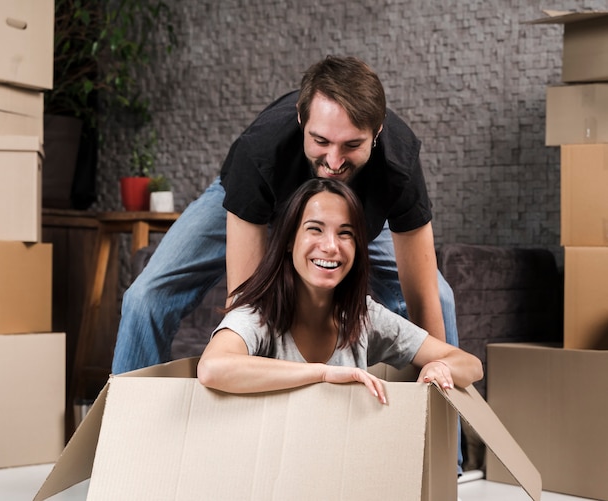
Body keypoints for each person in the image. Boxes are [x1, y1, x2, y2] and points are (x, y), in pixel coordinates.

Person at [112, 55, 458, 375]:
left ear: (378, 132)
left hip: (344, 213)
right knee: (145, 298)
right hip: (258, 201)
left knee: (441, 299)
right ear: (300, 119)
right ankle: (127, 434)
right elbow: (244, 303)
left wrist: (439, 372)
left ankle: (446, 442)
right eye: (321, 141)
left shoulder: (399, 161)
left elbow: (425, 298)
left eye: (352, 145)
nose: (334, 163)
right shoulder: (259, 151)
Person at [197, 178, 483, 404]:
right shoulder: (258, 315)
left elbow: (470, 365)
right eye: (315, 229)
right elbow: (212, 368)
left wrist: (438, 370)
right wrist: (323, 374)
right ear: (288, 241)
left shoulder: (362, 316)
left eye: (345, 233)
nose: (331, 246)